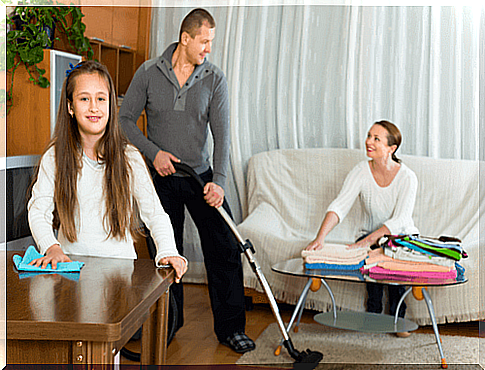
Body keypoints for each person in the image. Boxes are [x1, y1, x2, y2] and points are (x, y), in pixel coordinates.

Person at [118, 8, 255, 353]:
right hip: (161, 177)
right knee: (166, 253)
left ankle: (231, 329)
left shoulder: (214, 78)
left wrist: (218, 182)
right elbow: (124, 120)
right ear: (186, 38)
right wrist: (154, 153)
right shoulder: (148, 72)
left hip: (199, 177)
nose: (209, 48)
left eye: (211, 42)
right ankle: (168, 324)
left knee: (224, 249)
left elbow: (222, 136)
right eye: (204, 41)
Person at [28, 60, 187, 283]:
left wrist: (168, 250)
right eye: (84, 99)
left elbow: (155, 213)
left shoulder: (129, 157)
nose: (94, 107)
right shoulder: (55, 156)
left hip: (120, 273)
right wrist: (51, 247)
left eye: (101, 99)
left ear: (111, 105)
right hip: (69, 271)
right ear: (70, 107)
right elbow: (38, 210)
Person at [305, 120, 419, 337]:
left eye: (377, 138)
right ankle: (373, 315)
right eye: (369, 136)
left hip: (400, 237)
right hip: (370, 235)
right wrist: (320, 238)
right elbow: (340, 204)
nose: (369, 142)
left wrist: (368, 241)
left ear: (391, 148)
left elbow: (401, 219)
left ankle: (398, 319)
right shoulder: (361, 170)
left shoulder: (407, 177)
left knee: (392, 262)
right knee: (372, 267)